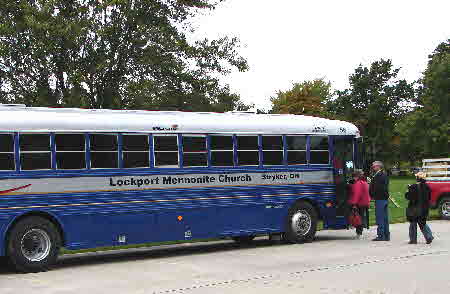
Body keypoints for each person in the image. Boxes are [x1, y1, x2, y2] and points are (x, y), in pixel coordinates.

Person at [405, 172, 434, 244]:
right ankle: (429, 236)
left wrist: (408, 190)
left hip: (414, 208)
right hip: (424, 209)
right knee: (422, 223)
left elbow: (408, 197)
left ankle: (413, 239)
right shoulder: (427, 187)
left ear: (418, 178)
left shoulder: (413, 186)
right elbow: (429, 198)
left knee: (413, 224)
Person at [369, 161, 390, 241]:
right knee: (385, 218)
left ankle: (381, 235)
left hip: (380, 198)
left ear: (379, 166)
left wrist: (372, 194)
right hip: (384, 198)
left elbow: (377, 187)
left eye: (374, 166)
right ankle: (386, 235)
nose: (373, 167)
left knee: (380, 217)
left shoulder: (379, 175)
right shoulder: (383, 174)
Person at [348, 170, 371, 238]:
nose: (353, 178)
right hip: (365, 202)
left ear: (356, 177)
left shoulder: (358, 183)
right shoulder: (364, 182)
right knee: (361, 217)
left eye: (354, 177)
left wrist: (353, 203)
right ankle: (360, 232)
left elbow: (356, 194)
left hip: (359, 203)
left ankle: (359, 233)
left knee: (358, 218)